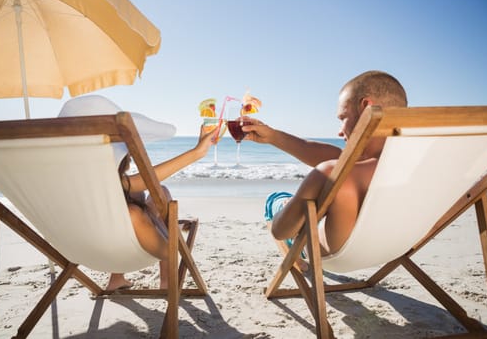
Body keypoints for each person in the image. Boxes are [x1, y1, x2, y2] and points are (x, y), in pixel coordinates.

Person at [242, 70, 407, 257]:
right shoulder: (422, 169)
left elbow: (280, 231)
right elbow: (337, 155)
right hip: (394, 248)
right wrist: (273, 136)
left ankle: (286, 206)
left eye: (343, 118)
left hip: (331, 253)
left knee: (277, 199)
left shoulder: (330, 172)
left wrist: (292, 205)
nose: (339, 132)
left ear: (366, 108)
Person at [58, 95, 215, 290]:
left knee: (136, 196)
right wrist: (197, 152)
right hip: (152, 247)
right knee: (157, 196)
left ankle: (116, 279)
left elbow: (140, 182)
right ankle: (166, 281)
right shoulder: (113, 184)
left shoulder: (62, 182)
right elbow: (148, 180)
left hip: (80, 248)